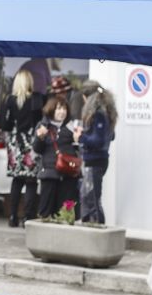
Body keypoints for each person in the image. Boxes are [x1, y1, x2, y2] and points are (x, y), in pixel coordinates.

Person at [0, 71, 45, 225]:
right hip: (31, 143)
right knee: (31, 181)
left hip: (16, 144)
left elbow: (4, 124)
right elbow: (41, 121)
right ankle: (28, 217)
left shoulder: (10, 100)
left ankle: (13, 216)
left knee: (17, 180)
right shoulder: (37, 99)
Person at [77, 81, 117, 225]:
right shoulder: (107, 112)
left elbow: (98, 141)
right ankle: (92, 226)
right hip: (99, 160)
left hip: (94, 161)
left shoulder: (98, 115)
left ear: (86, 97)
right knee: (90, 196)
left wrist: (81, 137)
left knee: (91, 199)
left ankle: (96, 229)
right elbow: (111, 136)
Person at [33, 96, 78, 219]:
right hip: (49, 172)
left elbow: (79, 149)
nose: (62, 112)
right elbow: (37, 149)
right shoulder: (43, 126)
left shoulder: (72, 126)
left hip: (68, 173)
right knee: (45, 209)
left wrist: (77, 140)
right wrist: (40, 137)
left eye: (64, 109)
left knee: (66, 210)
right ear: (51, 109)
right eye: (58, 108)